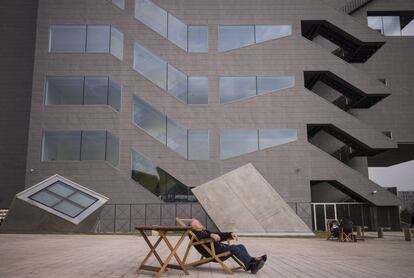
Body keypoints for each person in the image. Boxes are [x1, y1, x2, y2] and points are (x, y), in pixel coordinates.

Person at [190, 218, 267, 274]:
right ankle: (252, 264)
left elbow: (218, 235)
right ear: (193, 227)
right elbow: (202, 237)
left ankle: (251, 263)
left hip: (220, 248)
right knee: (234, 248)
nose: (200, 224)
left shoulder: (204, 231)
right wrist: (211, 235)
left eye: (199, 222)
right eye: (198, 223)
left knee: (240, 246)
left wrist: (230, 234)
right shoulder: (195, 233)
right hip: (215, 253)